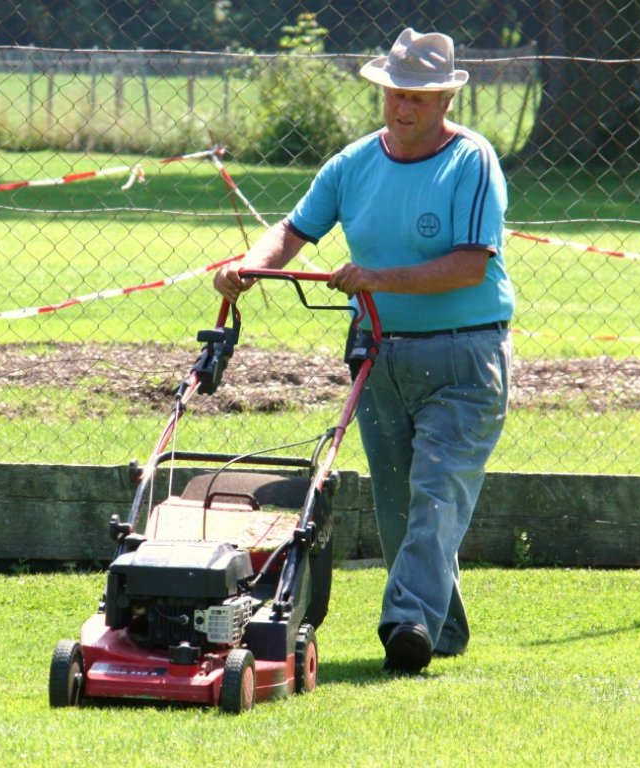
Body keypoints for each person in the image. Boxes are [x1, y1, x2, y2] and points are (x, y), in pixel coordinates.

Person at [214, 27, 514, 674]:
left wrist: (379, 277)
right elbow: (294, 233)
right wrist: (247, 267)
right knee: (401, 505)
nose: (404, 107)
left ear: (445, 102)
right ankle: (442, 627)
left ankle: (404, 624)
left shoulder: (472, 161)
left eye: (419, 97)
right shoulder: (352, 164)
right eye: (395, 94)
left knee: (436, 496)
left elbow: (467, 266)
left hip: (464, 358)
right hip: (378, 356)